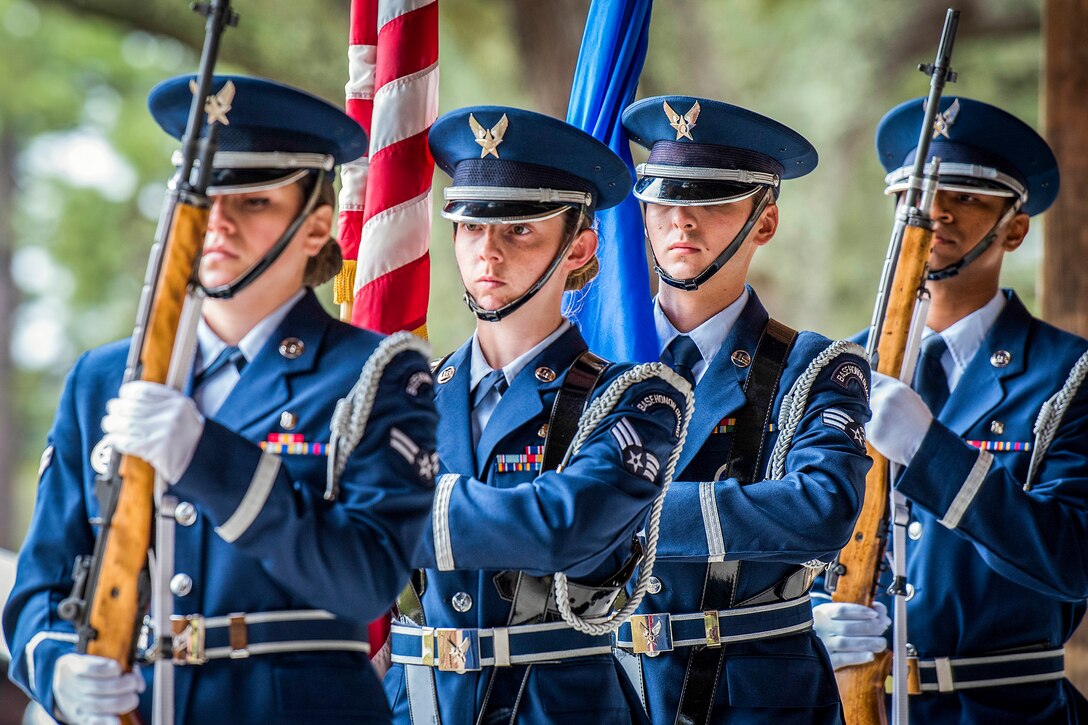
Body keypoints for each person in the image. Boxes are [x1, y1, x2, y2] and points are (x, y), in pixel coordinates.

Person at [4, 75, 438, 724]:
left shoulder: (378, 375)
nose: (219, 222)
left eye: (254, 202)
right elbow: (41, 587)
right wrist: (60, 667)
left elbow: (365, 577)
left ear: (316, 226)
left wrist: (206, 456)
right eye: (203, 200)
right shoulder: (101, 378)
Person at [382, 106, 691, 725]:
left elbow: (561, 528)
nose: (487, 252)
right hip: (416, 707)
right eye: (471, 228)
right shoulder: (404, 394)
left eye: (519, 230)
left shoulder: (638, 398)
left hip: (557, 708)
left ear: (578, 247)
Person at [813, 96, 1088, 723]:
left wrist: (930, 452)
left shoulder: (1069, 376)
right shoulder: (831, 370)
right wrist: (808, 622)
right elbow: (792, 542)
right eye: (918, 198)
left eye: (965, 198)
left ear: (1013, 229)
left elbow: (1073, 560)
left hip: (1008, 709)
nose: (936, 213)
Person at [612, 96, 873, 724]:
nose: (683, 222)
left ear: (764, 223)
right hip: (604, 689)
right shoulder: (590, 362)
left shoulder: (812, 367)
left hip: (751, 694)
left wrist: (600, 510)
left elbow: (820, 508)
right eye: (665, 200)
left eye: (711, 202)